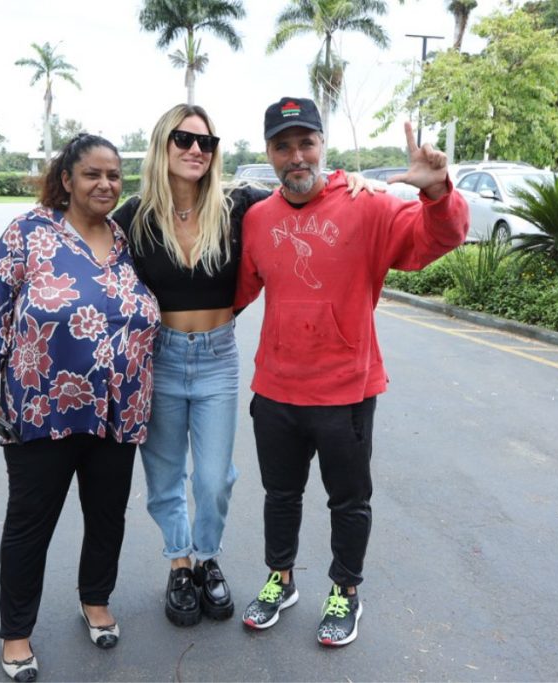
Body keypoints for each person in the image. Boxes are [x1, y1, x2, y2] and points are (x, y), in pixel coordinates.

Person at [111, 103, 378, 629]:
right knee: (165, 477)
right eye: (184, 140)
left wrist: (351, 181)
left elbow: (300, 189)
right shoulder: (132, 217)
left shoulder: (238, 206)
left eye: (206, 144)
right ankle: (181, 565)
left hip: (216, 359)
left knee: (213, 478)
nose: (195, 151)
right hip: (157, 360)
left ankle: (208, 556)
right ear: (162, 145)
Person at [235, 97, 469, 647]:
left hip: (346, 391)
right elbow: (235, 290)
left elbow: (436, 238)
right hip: (276, 389)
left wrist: (437, 191)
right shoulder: (258, 218)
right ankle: (281, 579)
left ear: (322, 145)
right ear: (269, 154)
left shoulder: (369, 205)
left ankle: (345, 590)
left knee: (348, 500)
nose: (296, 156)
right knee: (280, 494)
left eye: (305, 142)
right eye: (283, 145)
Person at [0, 134, 159, 682]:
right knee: (30, 524)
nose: (105, 184)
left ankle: (95, 600)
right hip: (41, 409)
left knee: (106, 516)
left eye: (114, 175)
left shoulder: (124, 240)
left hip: (118, 411)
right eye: (92, 174)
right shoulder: (30, 232)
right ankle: (17, 635)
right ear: (67, 179)